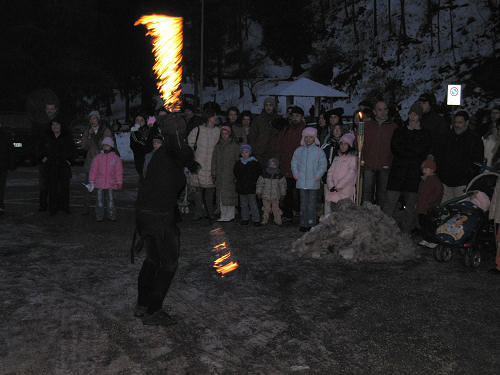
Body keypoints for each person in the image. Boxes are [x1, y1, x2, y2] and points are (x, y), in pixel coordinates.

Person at [134, 127, 197, 326]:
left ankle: (143, 305)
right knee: (168, 263)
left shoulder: (158, 157)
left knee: (152, 259)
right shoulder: (169, 157)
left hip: (145, 215)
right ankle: (153, 310)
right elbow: (178, 181)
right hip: (160, 218)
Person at [382, 103, 431, 233]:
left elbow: (422, 151)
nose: (412, 117)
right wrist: (411, 152)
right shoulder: (400, 131)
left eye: (415, 115)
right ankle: (384, 231)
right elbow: (396, 148)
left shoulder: (424, 133)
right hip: (398, 173)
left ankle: (406, 232)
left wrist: (409, 151)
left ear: (419, 117)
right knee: (390, 204)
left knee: (410, 206)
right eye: (411, 114)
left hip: (413, 174)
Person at [434, 111, 484, 202]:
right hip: (446, 180)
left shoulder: (474, 139)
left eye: (460, 122)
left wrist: (468, 176)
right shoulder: (447, 136)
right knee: (445, 208)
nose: (457, 125)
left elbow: (477, 161)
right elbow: (439, 155)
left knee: (460, 209)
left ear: (467, 122)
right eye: (455, 122)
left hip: (462, 182)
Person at [361, 100, 398, 207]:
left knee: (382, 195)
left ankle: (381, 219)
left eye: (385, 109)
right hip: (369, 164)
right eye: (380, 110)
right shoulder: (367, 125)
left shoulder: (393, 127)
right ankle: (366, 217)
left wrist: (391, 161)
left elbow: (397, 147)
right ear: (374, 112)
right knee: (366, 193)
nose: (383, 112)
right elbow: (359, 143)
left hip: (385, 166)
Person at [291, 127, 327, 232]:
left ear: (314, 138)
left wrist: (317, 176)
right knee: (303, 204)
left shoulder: (319, 151)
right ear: (303, 138)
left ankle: (311, 223)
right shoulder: (298, 151)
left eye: (310, 137)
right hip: (301, 182)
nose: (308, 139)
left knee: (311, 204)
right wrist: (296, 174)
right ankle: (303, 223)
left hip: (313, 183)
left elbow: (323, 165)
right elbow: (294, 163)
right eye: (306, 137)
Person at [187, 110, 220, 220]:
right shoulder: (198, 130)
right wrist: (192, 159)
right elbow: (189, 144)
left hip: (212, 165)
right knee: (198, 191)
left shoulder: (217, 131)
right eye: (213, 116)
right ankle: (198, 212)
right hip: (199, 165)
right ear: (208, 118)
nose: (215, 118)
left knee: (210, 191)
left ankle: (209, 212)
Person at [276, 106, 306, 221]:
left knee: (300, 191)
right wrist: (278, 160)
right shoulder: (286, 129)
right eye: (293, 116)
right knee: (287, 190)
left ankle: (300, 212)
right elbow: (279, 145)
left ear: (302, 117)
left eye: (297, 116)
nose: (295, 118)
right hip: (286, 164)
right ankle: (288, 213)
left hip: (300, 166)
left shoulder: (305, 130)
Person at [38, 119, 75, 215]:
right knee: (52, 188)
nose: (55, 126)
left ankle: (65, 207)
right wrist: (43, 158)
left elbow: (72, 150)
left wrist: (69, 160)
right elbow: (40, 148)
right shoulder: (47, 137)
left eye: (57, 124)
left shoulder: (67, 137)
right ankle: (53, 208)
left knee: (64, 188)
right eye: (53, 125)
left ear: (61, 126)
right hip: (51, 166)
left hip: (63, 166)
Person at [82, 110, 114, 214]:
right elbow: (84, 146)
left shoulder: (105, 131)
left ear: (98, 119)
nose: (93, 120)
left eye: (95, 118)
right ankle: (86, 208)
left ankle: (101, 209)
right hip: (90, 163)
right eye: (91, 118)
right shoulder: (87, 131)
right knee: (88, 188)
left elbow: (108, 145)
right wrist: (89, 136)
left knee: (101, 188)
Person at [88, 137, 123, 222]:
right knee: (99, 201)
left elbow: (118, 171)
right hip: (99, 183)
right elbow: (93, 170)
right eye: (104, 145)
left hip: (111, 183)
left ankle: (111, 215)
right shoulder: (98, 158)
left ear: (111, 146)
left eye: (107, 145)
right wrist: (91, 181)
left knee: (111, 201)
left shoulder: (116, 158)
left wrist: (119, 181)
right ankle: (99, 215)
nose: (105, 147)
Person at [211, 126, 240, 222]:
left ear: (230, 134)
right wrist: (214, 172)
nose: (224, 135)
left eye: (226, 133)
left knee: (230, 195)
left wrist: (237, 174)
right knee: (221, 196)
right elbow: (214, 160)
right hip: (220, 174)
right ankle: (223, 214)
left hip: (230, 174)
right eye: (222, 133)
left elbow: (237, 160)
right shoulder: (218, 146)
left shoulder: (234, 146)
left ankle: (230, 215)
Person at [35, 102, 59, 212]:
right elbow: (37, 142)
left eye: (52, 108)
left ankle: (54, 205)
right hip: (44, 159)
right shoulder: (40, 123)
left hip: (55, 158)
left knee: (55, 182)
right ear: (45, 110)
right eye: (48, 108)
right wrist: (41, 156)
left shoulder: (59, 122)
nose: (50, 110)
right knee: (43, 183)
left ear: (55, 110)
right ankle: (43, 205)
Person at [325, 133, 357, 210]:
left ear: (350, 146)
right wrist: (331, 185)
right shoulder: (336, 158)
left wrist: (338, 186)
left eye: (346, 144)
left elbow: (351, 175)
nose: (343, 146)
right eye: (341, 143)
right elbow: (330, 172)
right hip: (334, 192)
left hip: (345, 192)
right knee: (334, 213)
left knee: (344, 215)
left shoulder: (352, 158)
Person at [416, 159, 443, 247]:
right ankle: (426, 239)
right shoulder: (424, 180)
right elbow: (420, 193)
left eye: (426, 169)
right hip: (422, 207)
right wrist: (418, 202)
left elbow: (438, 192)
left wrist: (430, 202)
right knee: (423, 224)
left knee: (430, 225)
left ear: (432, 169)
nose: (424, 171)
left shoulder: (435, 181)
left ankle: (433, 241)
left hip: (430, 208)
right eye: (423, 169)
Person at [233, 144, 262, 225]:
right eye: (243, 152)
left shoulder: (254, 162)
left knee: (253, 204)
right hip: (241, 187)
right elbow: (236, 172)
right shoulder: (238, 163)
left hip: (251, 186)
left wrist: (254, 181)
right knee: (243, 204)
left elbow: (258, 173)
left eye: (246, 152)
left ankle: (256, 219)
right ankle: (245, 218)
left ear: (249, 153)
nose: (244, 154)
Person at [248, 97, 279, 166]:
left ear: (274, 107)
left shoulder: (279, 120)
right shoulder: (257, 120)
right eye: (266, 105)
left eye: (270, 105)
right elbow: (252, 136)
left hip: (273, 154)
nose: (268, 107)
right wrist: (255, 151)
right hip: (259, 154)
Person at [256, 158, 287, 225]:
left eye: (274, 165)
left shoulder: (279, 176)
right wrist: (259, 192)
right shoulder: (264, 175)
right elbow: (259, 184)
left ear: (277, 166)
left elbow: (283, 185)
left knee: (276, 209)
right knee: (266, 209)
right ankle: (265, 219)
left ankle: (278, 220)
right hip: (265, 195)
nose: (272, 166)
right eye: (270, 164)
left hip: (275, 196)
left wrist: (283, 194)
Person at [418, 93, 449, 157]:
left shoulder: (439, 120)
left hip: (431, 158)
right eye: (420, 103)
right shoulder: (416, 117)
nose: (421, 105)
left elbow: (441, 142)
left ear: (430, 104)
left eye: (424, 103)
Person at [130, 114, 157, 182]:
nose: (139, 122)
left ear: (145, 121)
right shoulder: (134, 131)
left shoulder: (149, 129)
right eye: (137, 120)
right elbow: (136, 144)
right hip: (140, 159)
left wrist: (152, 127)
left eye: (141, 120)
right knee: (143, 177)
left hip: (150, 158)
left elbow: (153, 140)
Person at [0, 121, 16, 215]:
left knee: (1, 185)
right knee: (1, 185)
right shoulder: (7, 135)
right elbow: (11, 149)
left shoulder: (6, 135)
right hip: (3, 164)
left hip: (3, 164)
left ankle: (0, 204)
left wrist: (11, 163)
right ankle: (0, 204)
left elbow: (11, 149)